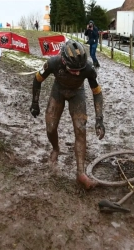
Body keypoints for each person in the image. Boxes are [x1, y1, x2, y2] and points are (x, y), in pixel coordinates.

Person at [29, 39, 105, 189]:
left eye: (79, 70)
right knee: (50, 127)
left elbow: (97, 93)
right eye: (73, 69)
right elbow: (37, 80)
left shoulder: (88, 68)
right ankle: (56, 148)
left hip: (77, 93)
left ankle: (80, 173)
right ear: (63, 61)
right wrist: (35, 102)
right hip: (58, 91)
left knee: (80, 129)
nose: (77, 72)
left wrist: (99, 119)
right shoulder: (53, 63)